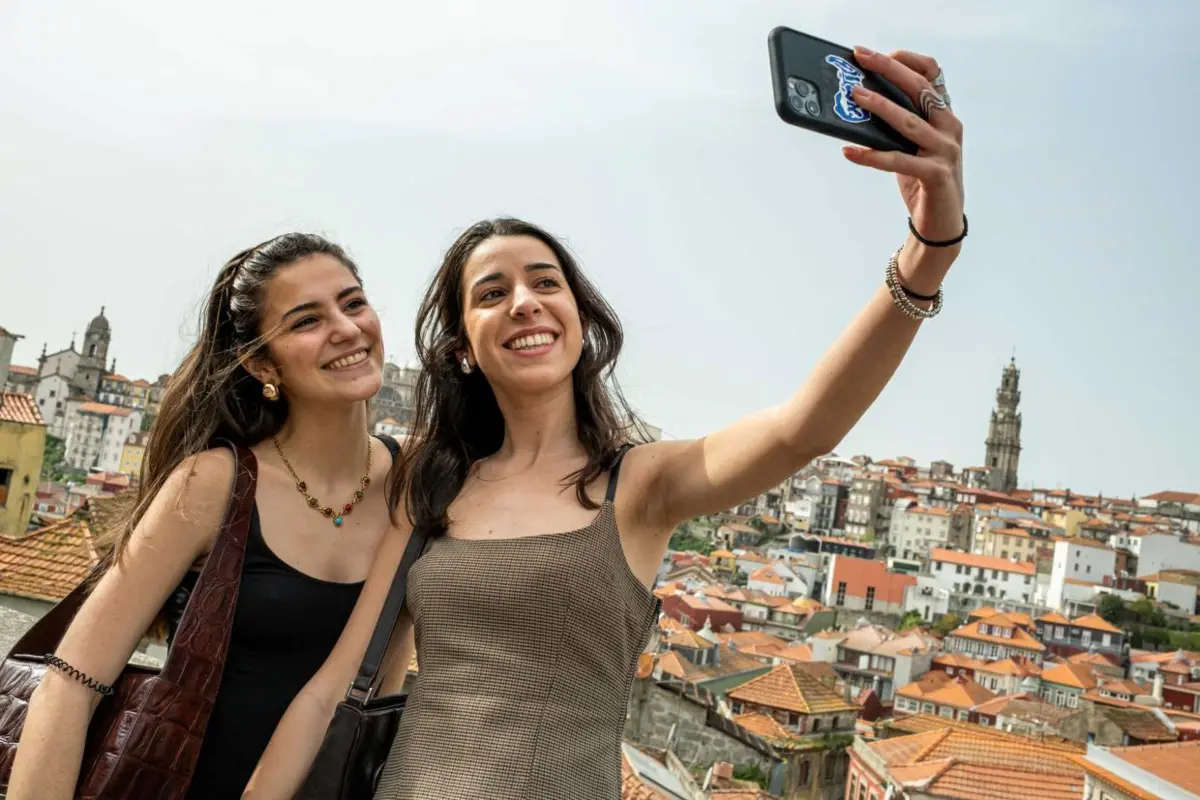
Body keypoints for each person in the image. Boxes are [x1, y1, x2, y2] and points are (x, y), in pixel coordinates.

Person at [247, 46, 964, 799]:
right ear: (461, 346)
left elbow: (803, 430)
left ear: (578, 322)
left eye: (546, 282)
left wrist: (929, 251)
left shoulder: (641, 484)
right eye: (492, 292)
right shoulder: (429, 480)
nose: (525, 301)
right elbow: (332, 691)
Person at [9, 233, 405, 799]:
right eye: (305, 321)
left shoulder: (414, 482)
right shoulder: (214, 483)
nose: (346, 328)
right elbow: (72, 680)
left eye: (353, 302)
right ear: (261, 363)